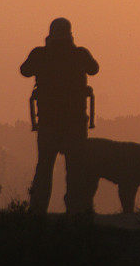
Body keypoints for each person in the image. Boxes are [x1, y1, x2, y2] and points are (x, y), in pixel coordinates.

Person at [20, 18, 99, 213]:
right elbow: (94, 68)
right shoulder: (79, 54)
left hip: (49, 123)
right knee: (75, 170)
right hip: (75, 123)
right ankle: (77, 212)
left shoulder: (40, 54)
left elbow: (25, 70)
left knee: (45, 168)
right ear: (70, 33)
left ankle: (38, 211)